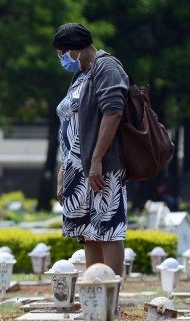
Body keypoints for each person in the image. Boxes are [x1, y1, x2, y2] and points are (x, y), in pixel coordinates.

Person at [53, 22, 129, 276]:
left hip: (102, 164)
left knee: (107, 229)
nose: (62, 60)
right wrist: (64, 171)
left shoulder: (106, 66)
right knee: (88, 233)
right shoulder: (80, 74)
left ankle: (111, 298)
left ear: (76, 49)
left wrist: (96, 160)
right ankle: (94, 294)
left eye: (62, 54)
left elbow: (113, 112)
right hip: (78, 167)